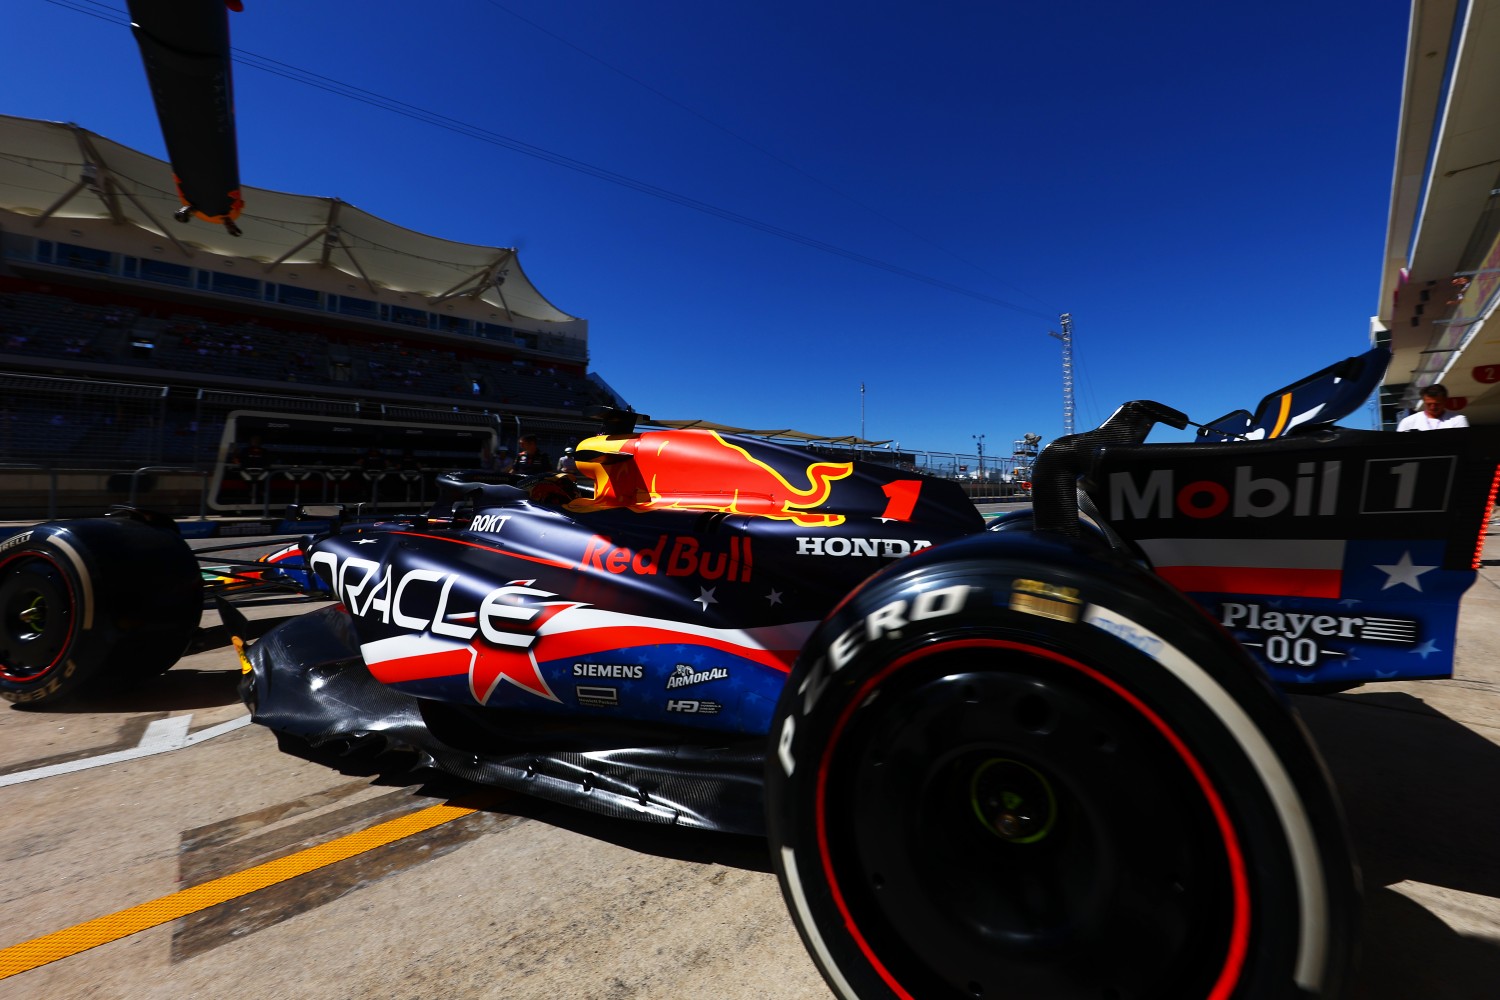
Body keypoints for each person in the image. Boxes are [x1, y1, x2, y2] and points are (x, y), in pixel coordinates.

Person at [1397, 384, 1470, 431]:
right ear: (1424, 401)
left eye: (1437, 404)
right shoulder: (1408, 422)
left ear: (1445, 401)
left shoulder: (1458, 420)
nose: (1433, 407)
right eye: (1429, 404)